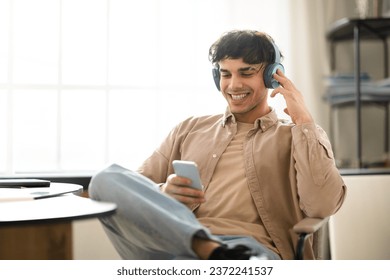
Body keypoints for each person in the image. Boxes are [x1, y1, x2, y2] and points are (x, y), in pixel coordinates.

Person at [89, 30, 347, 260]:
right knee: (105, 178)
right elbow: (134, 188)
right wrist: (162, 193)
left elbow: (322, 205)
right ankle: (207, 248)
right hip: (174, 245)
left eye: (246, 72)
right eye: (225, 74)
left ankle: (214, 254)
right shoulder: (190, 128)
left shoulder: (296, 137)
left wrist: (304, 120)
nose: (234, 85)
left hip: (249, 250)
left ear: (272, 76)